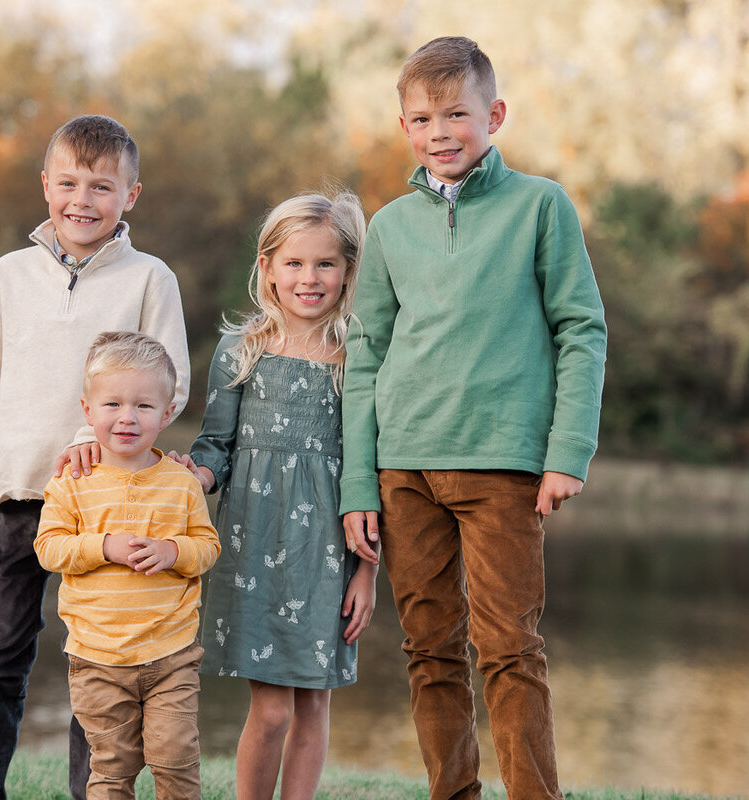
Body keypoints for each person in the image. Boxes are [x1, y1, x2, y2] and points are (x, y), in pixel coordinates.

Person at [339, 37, 607, 800]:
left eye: (456, 113)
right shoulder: (389, 227)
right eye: (422, 118)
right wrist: (360, 484)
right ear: (404, 128)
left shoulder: (540, 206)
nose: (440, 131)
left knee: (510, 648)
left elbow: (581, 329)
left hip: (504, 467)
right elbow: (365, 356)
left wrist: (568, 452)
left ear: (493, 115)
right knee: (429, 651)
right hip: (404, 469)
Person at [0, 114, 191, 800]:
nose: (82, 200)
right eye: (68, 183)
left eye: (101, 187)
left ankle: (98, 794)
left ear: (130, 196)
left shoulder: (150, 279)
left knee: (103, 666)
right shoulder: (8, 275)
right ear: (46, 186)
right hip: (15, 502)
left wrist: (100, 436)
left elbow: (168, 386)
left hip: (108, 509)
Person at [173, 190, 379, 800]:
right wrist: (195, 478)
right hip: (254, 544)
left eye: (325, 264)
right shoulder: (242, 350)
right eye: (293, 263)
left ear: (348, 271)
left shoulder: (358, 355)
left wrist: (366, 573)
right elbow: (216, 446)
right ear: (267, 267)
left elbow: (369, 470)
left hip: (328, 554)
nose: (309, 278)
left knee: (313, 705)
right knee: (271, 712)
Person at [34, 331, 220, 800]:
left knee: (176, 759)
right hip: (97, 657)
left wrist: (173, 553)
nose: (127, 418)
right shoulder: (71, 481)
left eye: (143, 406)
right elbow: (49, 548)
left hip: (171, 653)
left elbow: (207, 545)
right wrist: (104, 546)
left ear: (168, 412)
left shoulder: (182, 483)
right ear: (87, 410)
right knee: (112, 769)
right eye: (112, 404)